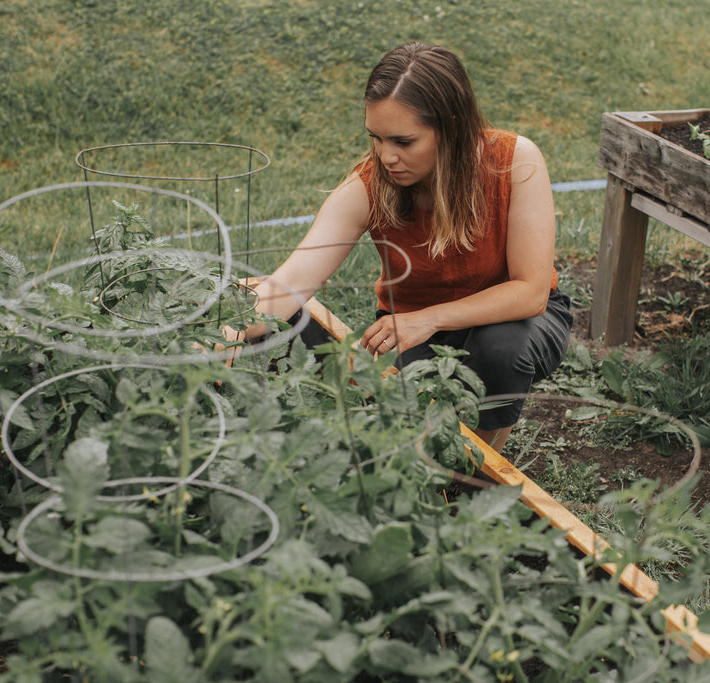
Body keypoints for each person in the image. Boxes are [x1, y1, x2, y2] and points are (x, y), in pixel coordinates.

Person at [230, 42, 572, 451]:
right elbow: (293, 280)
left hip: (516, 322)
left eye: (403, 142)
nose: (386, 156)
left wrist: (428, 318)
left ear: (453, 127)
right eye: (376, 138)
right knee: (383, 414)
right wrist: (223, 333)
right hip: (408, 328)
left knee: (499, 350)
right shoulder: (368, 185)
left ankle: (479, 470)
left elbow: (531, 292)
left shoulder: (515, 161)